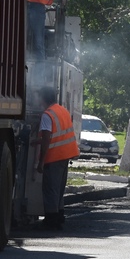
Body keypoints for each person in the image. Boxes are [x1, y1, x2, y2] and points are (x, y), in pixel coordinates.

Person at [36, 88, 79, 229]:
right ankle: (59, 216)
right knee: (59, 188)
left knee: (50, 189)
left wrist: (41, 162)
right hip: (65, 154)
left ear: (43, 99)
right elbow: (58, 134)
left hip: (54, 156)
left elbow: (48, 138)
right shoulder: (62, 110)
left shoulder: (47, 115)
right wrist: (37, 141)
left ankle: (51, 220)